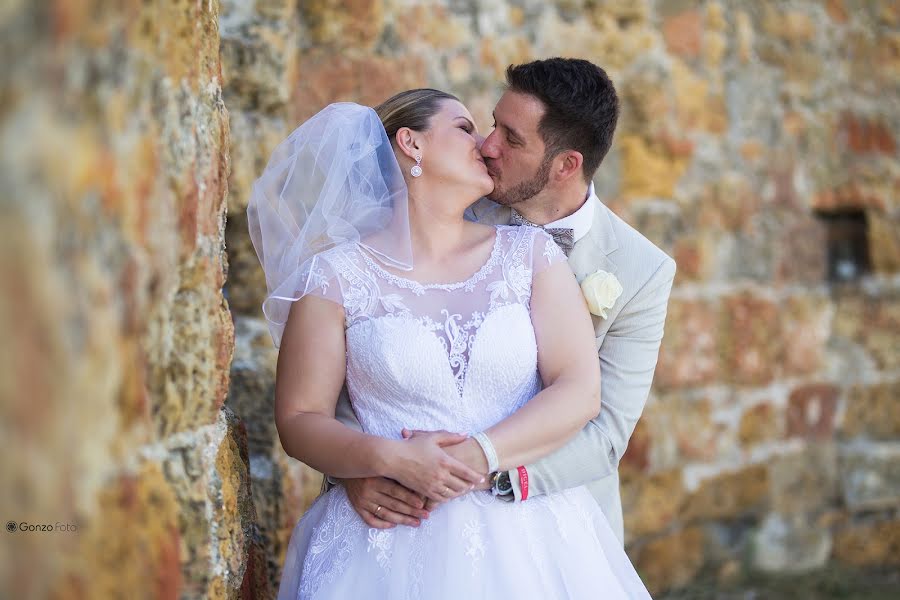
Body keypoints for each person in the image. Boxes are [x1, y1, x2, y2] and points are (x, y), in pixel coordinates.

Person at [248, 89, 652, 598]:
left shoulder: (529, 254)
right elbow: (300, 420)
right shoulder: (332, 278)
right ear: (410, 143)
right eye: (465, 127)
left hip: (532, 539)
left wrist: (472, 457)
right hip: (385, 541)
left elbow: (578, 390)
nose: (485, 144)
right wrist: (384, 460)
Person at [335, 58, 676, 545]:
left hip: (547, 517)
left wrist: (477, 474)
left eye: (511, 139)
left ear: (565, 165)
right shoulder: (445, 199)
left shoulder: (641, 271)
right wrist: (360, 467)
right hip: (399, 509)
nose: (487, 146)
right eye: (493, 124)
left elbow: (605, 435)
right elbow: (363, 346)